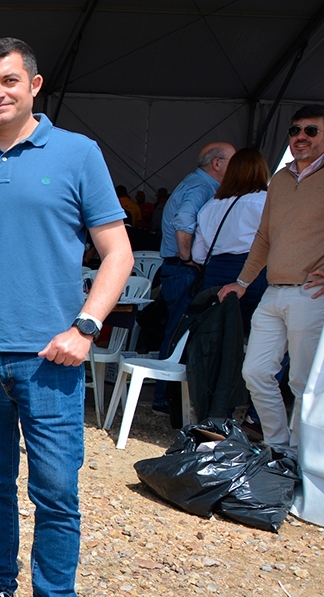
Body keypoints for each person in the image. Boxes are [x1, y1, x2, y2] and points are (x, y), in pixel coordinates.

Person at [0, 38, 131, 597]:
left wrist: (86, 327)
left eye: (8, 80)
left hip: (52, 353)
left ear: (34, 86)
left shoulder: (77, 153)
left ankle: (53, 590)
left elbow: (117, 253)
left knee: (55, 490)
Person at [219, 105, 324, 455]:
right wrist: (243, 282)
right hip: (273, 291)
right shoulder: (278, 179)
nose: (301, 137)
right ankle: (281, 449)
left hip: (310, 294)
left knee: (303, 383)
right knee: (256, 373)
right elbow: (263, 236)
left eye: (311, 130)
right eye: (295, 130)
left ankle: (305, 461)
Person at [153, 140, 235, 411]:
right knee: (178, 332)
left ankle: (168, 397)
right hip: (182, 268)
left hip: (176, 268)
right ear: (217, 163)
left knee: (175, 331)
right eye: (231, 162)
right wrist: (188, 258)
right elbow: (184, 220)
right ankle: (165, 398)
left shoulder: (194, 183)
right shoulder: (202, 187)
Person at [191, 147, 270, 329]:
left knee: (215, 333)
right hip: (252, 273)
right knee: (252, 333)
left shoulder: (210, 205)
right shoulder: (266, 202)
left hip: (215, 272)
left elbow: (198, 255)